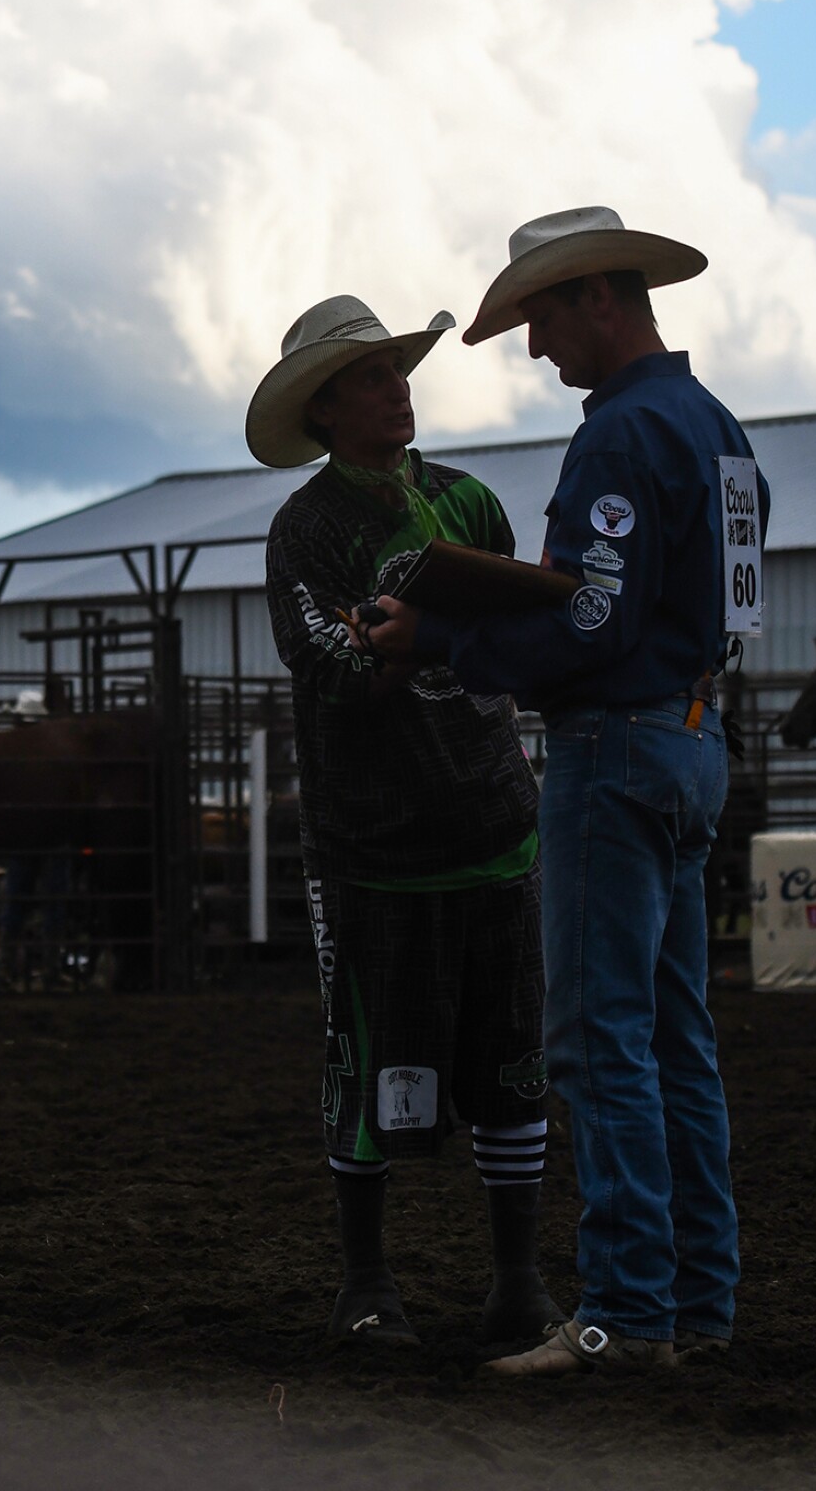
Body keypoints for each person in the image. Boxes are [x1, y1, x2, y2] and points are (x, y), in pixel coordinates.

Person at [358, 205, 761, 1376]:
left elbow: (589, 618)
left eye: (540, 317)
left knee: (597, 1041)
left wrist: (442, 638)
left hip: (617, 749)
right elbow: (708, 602)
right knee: (677, 1039)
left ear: (597, 297)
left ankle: (626, 1317)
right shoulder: (720, 428)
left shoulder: (620, 439)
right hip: (690, 736)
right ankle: (698, 1303)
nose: (536, 348)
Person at [251, 293, 558, 1350]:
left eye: (399, 370)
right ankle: (369, 1279)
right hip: (376, 849)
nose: (399, 387)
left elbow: (511, 639)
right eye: (374, 377)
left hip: (490, 826)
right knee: (370, 1056)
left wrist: (414, 639)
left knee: (512, 1060)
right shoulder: (307, 529)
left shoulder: (469, 503)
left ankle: (512, 1282)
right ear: (326, 409)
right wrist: (440, 640)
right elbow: (333, 669)